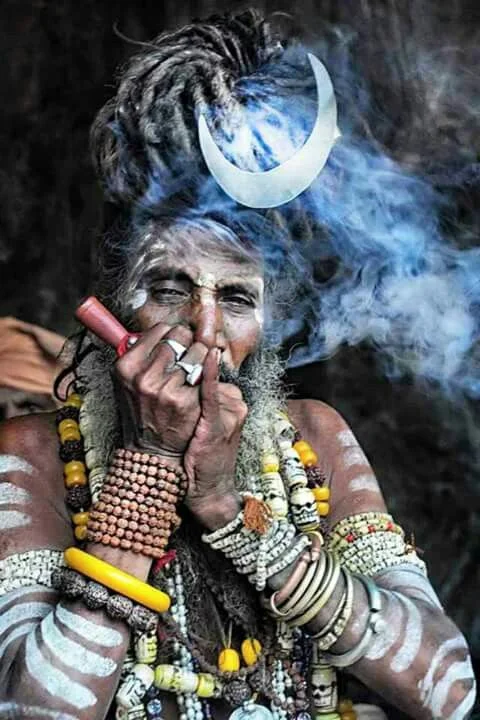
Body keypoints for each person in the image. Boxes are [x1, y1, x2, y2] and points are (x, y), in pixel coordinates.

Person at [0, 9, 475, 720]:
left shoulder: (314, 440)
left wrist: (231, 509)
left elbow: (452, 693)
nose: (206, 331)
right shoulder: (31, 455)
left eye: (237, 298)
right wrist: (150, 465)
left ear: (271, 322)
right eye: (169, 290)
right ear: (117, 303)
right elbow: (35, 712)